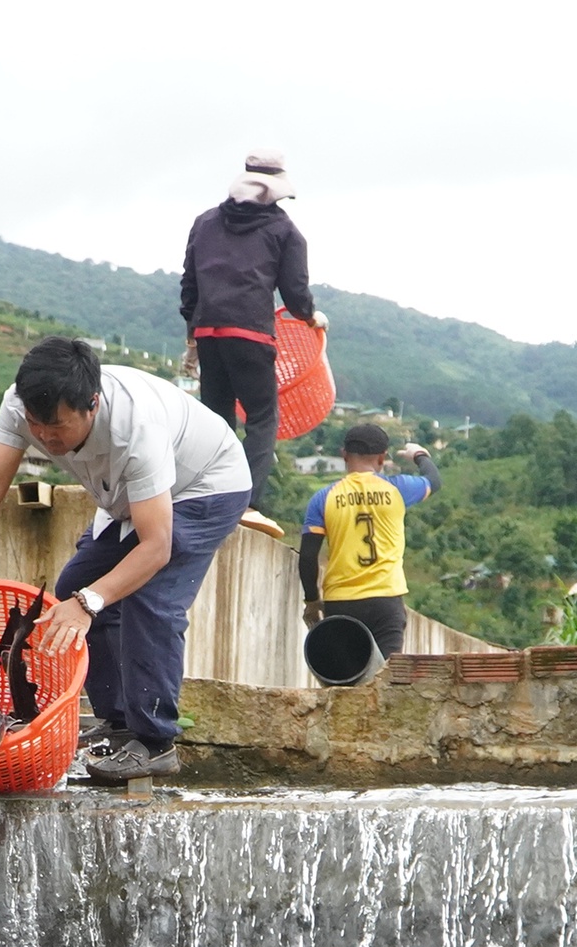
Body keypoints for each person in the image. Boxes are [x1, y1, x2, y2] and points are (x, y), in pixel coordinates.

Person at [0, 336, 249, 784]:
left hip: (207, 483)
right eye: (37, 424)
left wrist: (91, 603)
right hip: (127, 498)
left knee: (149, 598)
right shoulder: (19, 406)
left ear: (93, 404)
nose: (47, 437)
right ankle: (118, 721)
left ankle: (154, 742)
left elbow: (157, 547)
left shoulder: (135, 426)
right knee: (73, 588)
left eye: (59, 426)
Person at [180, 149, 321, 496]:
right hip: (251, 334)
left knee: (217, 420)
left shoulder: (205, 222)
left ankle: (211, 492)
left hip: (209, 333)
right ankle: (247, 501)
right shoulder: (284, 231)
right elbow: (295, 292)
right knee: (261, 418)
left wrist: (192, 342)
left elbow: (190, 288)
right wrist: (311, 316)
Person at [298, 423, 440, 657]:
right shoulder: (398, 488)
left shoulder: (323, 498)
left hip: (340, 601)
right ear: (382, 458)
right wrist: (419, 455)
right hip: (386, 600)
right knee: (385, 678)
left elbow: (307, 557)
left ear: (344, 455)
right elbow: (434, 480)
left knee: (346, 680)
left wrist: (312, 601)